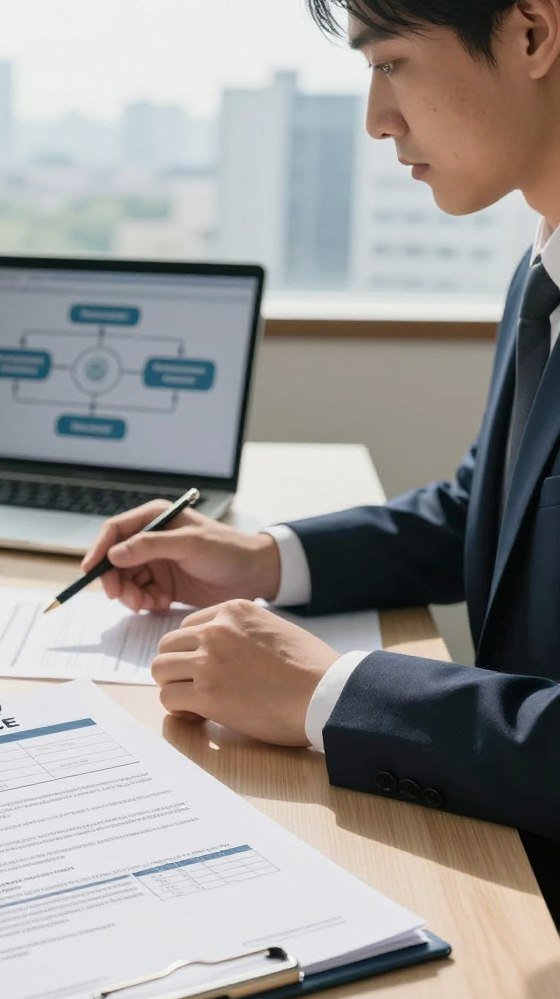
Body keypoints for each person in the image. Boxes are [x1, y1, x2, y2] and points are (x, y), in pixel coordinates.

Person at [83, 0, 560, 924]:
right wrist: (261, 558)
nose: (377, 119)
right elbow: (489, 508)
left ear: (534, 34)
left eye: (390, 65)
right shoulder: (545, 267)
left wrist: (332, 692)